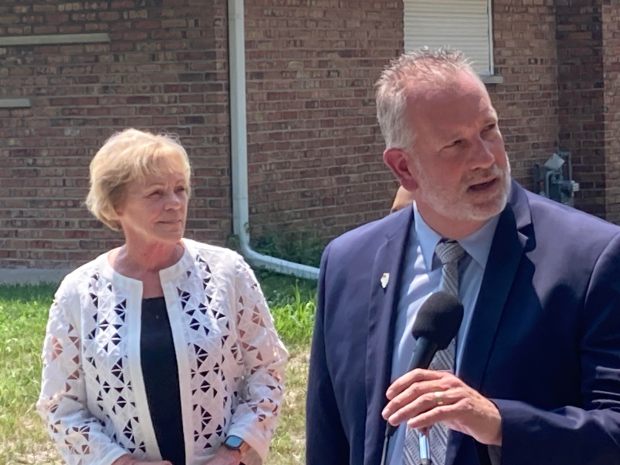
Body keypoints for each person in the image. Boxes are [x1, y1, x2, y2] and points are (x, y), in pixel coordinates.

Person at [306, 48, 620, 465]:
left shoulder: (590, 258)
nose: (486, 159)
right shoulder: (348, 263)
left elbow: (613, 433)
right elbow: (328, 436)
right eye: (456, 144)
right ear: (403, 168)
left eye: (489, 129)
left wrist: (498, 422)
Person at [37, 128, 288, 465]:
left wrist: (234, 451)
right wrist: (119, 462)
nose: (174, 203)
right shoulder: (80, 293)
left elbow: (267, 371)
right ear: (116, 206)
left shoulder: (227, 273)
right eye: (156, 193)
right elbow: (60, 405)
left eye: (180, 189)